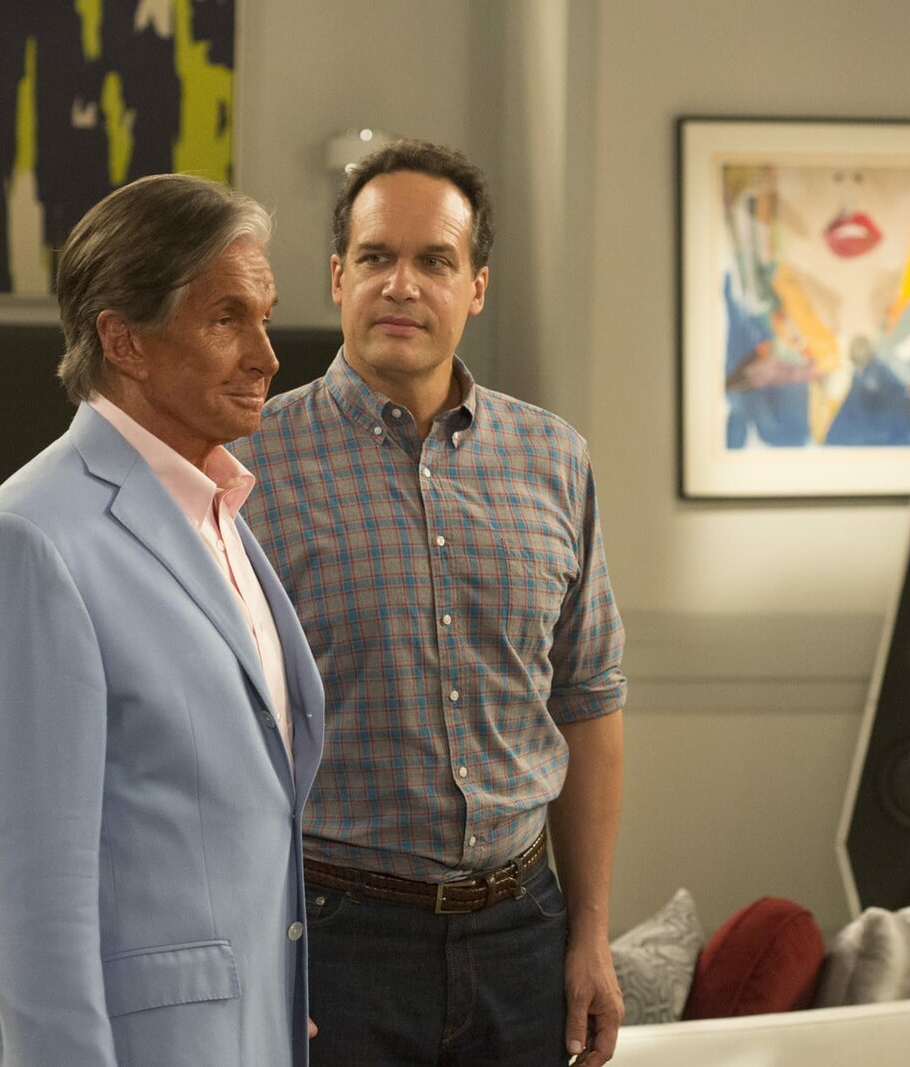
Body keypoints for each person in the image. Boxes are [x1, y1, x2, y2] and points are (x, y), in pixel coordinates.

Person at [231, 139, 627, 1066]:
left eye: (434, 261)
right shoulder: (248, 463)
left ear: (475, 287)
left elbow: (588, 702)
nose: (401, 285)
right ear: (338, 275)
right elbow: (210, 738)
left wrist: (590, 932)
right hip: (334, 941)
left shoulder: (556, 459)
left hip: (524, 935)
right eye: (376, 256)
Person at [0, 173, 324, 1067]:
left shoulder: (224, 516)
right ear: (124, 339)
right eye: (228, 318)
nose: (268, 356)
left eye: (265, 317)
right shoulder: (31, 539)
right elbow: (31, 905)